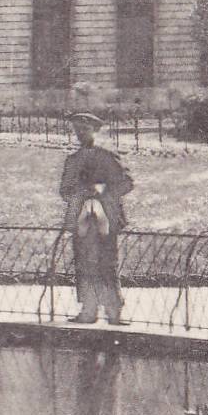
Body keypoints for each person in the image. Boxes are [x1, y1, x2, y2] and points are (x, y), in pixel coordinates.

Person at [60, 111, 135, 325]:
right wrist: (79, 193)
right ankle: (88, 309)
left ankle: (114, 311)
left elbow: (126, 183)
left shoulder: (106, 156)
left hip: (105, 218)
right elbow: (64, 190)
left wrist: (101, 190)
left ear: (95, 130)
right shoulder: (73, 160)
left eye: (84, 129)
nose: (80, 134)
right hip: (81, 219)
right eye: (76, 130)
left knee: (107, 263)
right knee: (83, 264)